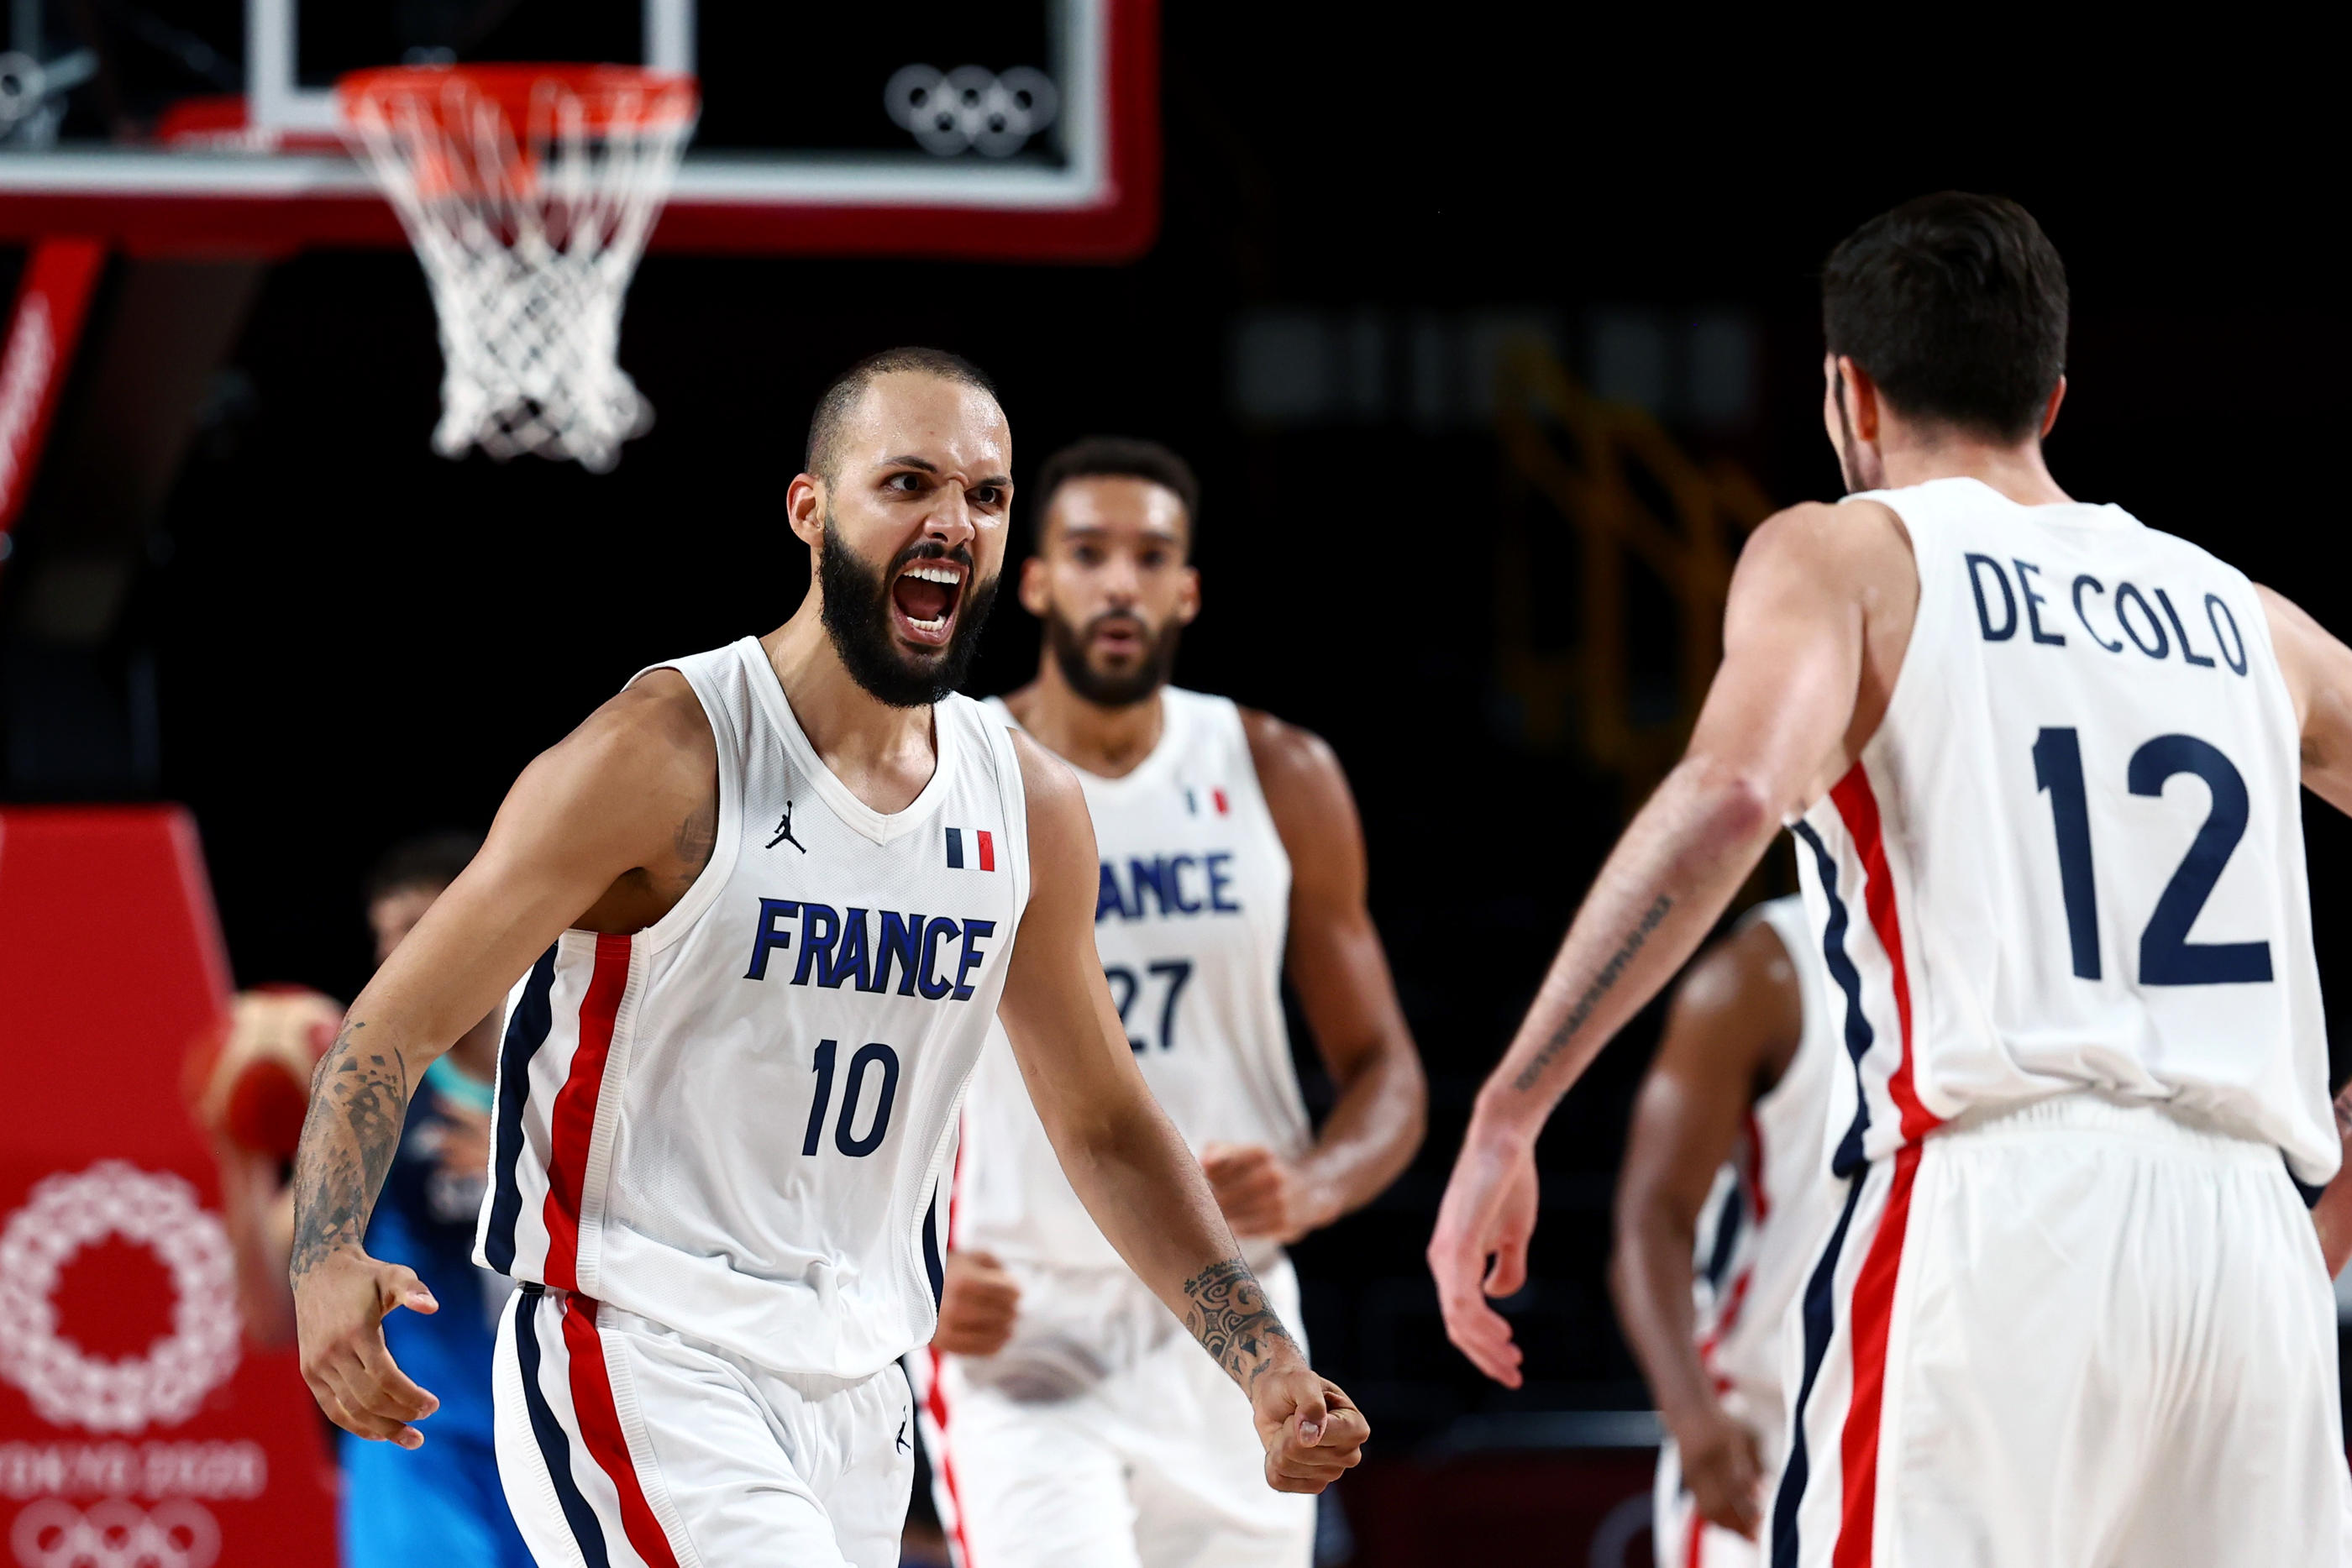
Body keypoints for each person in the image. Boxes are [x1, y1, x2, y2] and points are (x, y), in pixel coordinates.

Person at [286, 347, 1368, 1568]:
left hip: (862, 1377)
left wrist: (1262, 1355)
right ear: (811, 512)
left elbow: (1110, 1125)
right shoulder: (665, 751)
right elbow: (389, 1024)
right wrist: (323, 1250)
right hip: (642, 1346)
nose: (953, 520)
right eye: (908, 482)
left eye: (986, 495)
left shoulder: (1028, 806)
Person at [1428, 192, 2352, 1565]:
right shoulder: (2244, 613)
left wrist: (1513, 1107)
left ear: (1846, 392)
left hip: (2003, 1214)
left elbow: (1737, 790)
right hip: (2254, 1249)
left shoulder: (1849, 549)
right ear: (2050, 393)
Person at [913, 437, 1425, 1568]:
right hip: (1021, 1319)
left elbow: (1386, 1070)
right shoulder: (950, 772)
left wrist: (1318, 1180)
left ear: (1186, 588)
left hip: (1235, 1322)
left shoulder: (1279, 770)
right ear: (1035, 580)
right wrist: (904, 1272)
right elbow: (848, 1044)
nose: (1119, 581)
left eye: (1150, 556)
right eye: (1088, 553)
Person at [204, 832, 531, 1568]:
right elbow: (266, 1317)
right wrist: (239, 1157)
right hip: (425, 1450)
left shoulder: (580, 1080)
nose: (397, 960)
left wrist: (529, 1172)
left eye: (417, 929)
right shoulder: (374, 1114)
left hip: (569, 1442)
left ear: (495, 919)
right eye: (385, 937)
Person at [1609, 896, 1835, 1568]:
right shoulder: (1764, 973)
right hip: (1765, 1435)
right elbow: (1651, 1217)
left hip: (1927, 1407)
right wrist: (1693, 1416)